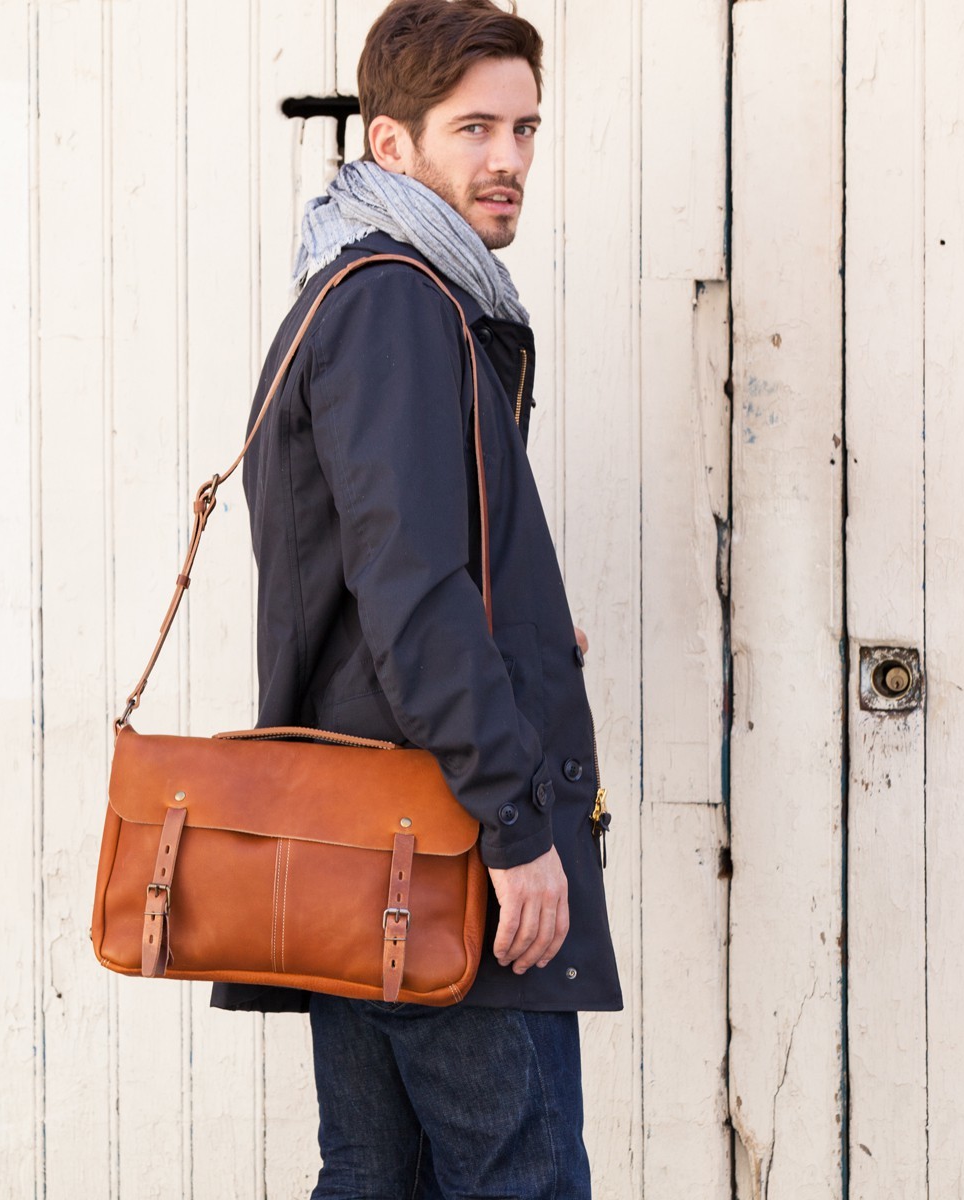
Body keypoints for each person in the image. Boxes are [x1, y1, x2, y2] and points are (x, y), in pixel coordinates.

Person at [212, 1, 623, 1194]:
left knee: (376, 1179)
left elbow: (389, 578)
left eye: (525, 129)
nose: (508, 159)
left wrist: (528, 624)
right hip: (435, 844)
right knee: (518, 1177)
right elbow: (413, 595)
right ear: (391, 144)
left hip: (368, 841)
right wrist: (514, 827)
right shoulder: (397, 300)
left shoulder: (369, 293)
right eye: (474, 128)